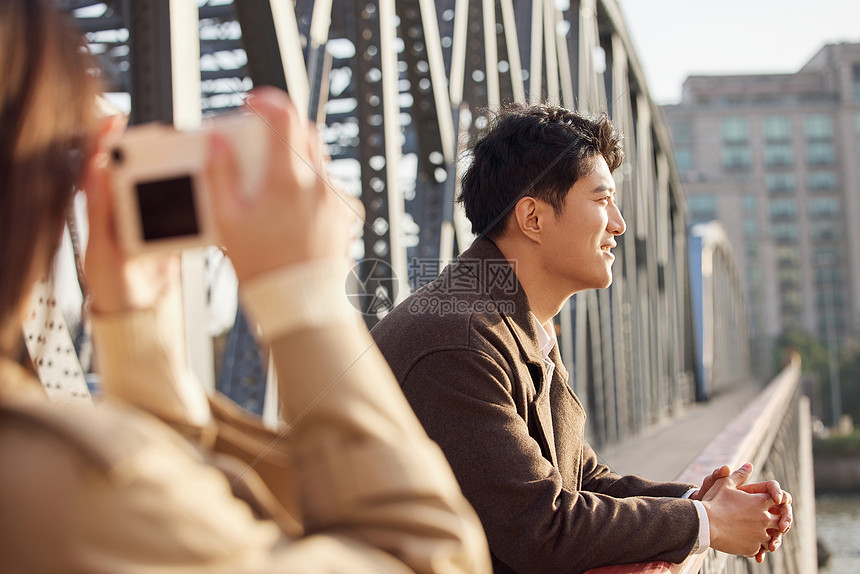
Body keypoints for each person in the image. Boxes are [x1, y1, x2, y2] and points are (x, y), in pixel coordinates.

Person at [0, 2, 491, 572]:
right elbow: (428, 559)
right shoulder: (65, 496)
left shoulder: (67, 490)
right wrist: (307, 301)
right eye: (58, 161)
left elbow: (180, 517)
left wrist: (138, 343)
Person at [370, 104, 793, 573]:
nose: (619, 223)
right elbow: (541, 528)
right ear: (532, 218)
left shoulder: (513, 321)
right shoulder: (458, 342)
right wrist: (705, 523)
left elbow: (580, 478)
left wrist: (703, 500)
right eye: (600, 200)